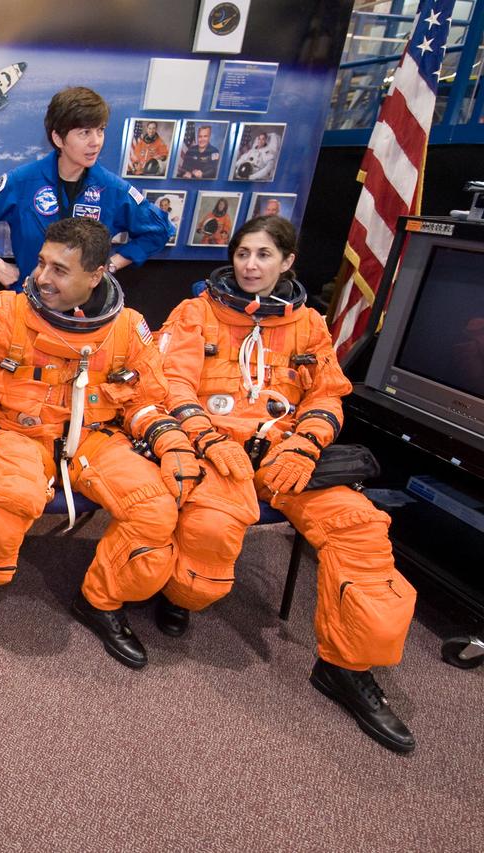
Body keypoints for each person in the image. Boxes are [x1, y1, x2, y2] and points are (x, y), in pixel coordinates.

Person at [154, 215, 417, 753]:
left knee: (360, 530)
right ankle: (178, 593)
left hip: (286, 457)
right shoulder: (195, 313)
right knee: (209, 533)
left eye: (264, 255)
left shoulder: (309, 326)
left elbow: (327, 395)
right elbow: (171, 383)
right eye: (243, 253)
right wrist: (206, 438)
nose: (251, 265)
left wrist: (305, 444)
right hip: (216, 451)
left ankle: (346, 666)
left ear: (288, 261)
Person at [0, 218, 200, 668]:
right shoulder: (6, 313)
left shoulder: (127, 327)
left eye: (60, 270)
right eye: (42, 263)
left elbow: (146, 398)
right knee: (8, 499)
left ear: (97, 274)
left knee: (154, 507)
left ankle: (102, 601)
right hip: (15, 431)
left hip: (94, 437)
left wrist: (172, 443)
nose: (41, 277)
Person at [0, 86, 172, 289]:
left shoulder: (112, 189)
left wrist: (111, 265)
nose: (96, 142)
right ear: (58, 138)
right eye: (85, 133)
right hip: (31, 298)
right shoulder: (22, 182)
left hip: (86, 307)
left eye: (100, 130)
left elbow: (160, 230)